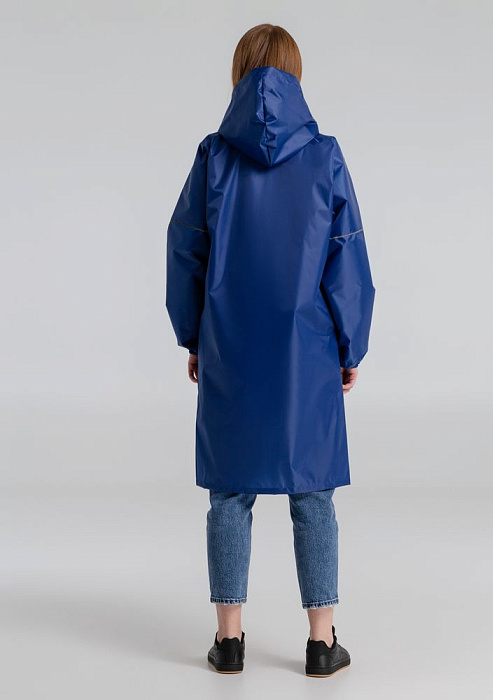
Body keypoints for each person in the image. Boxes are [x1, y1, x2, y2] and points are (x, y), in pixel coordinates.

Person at [166, 23, 375, 677]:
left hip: (230, 344)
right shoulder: (325, 156)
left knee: (229, 493)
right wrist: (349, 345)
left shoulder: (213, 156)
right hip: (306, 352)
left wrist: (193, 335)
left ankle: (229, 642)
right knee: (313, 494)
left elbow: (186, 248)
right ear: (296, 73)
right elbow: (346, 258)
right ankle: (321, 643)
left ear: (238, 74)